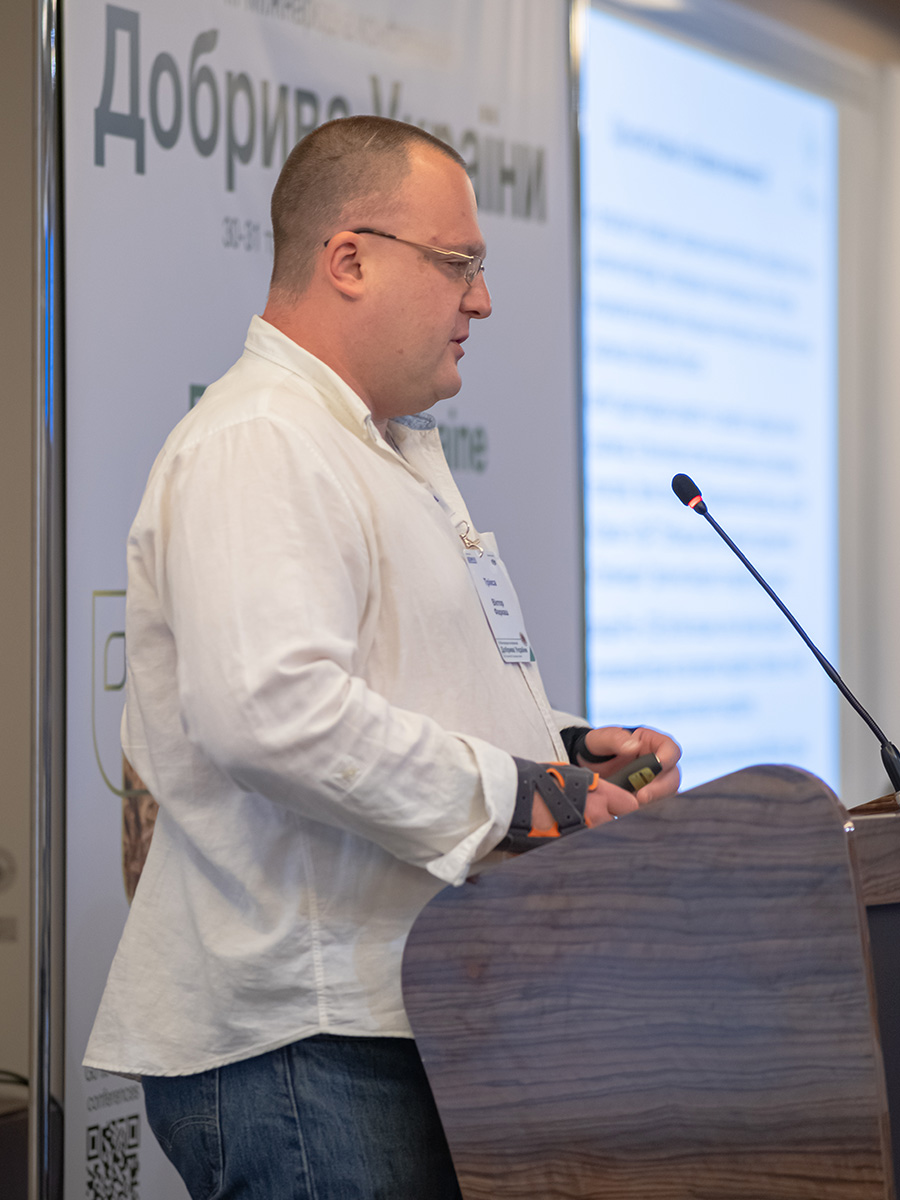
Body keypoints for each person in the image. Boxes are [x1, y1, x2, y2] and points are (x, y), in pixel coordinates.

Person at [84, 115, 681, 1199]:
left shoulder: (373, 447)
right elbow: (273, 713)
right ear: (349, 260)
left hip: (392, 1021)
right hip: (306, 1043)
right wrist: (524, 797)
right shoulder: (261, 437)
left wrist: (568, 755)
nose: (482, 301)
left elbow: (399, 691)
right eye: (459, 264)